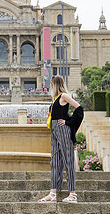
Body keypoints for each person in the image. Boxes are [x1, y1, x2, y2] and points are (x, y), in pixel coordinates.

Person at [38, 75, 84, 203]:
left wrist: (69, 123)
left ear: (56, 85)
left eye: (52, 84)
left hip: (63, 130)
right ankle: (53, 193)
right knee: (55, 162)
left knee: (68, 160)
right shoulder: (56, 99)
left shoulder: (64, 96)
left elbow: (79, 109)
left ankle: (73, 194)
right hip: (54, 131)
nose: (50, 87)